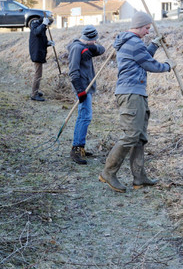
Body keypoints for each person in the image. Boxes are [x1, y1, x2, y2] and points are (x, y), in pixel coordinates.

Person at [99, 12, 176, 193]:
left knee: (139, 137)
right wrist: (167, 66)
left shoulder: (134, 43)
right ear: (140, 26)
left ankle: (139, 178)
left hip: (137, 93)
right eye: (147, 28)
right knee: (131, 135)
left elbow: (142, 59)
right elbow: (150, 65)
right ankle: (108, 173)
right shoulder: (133, 43)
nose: (148, 31)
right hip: (130, 94)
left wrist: (154, 45)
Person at [67, 25, 105, 165]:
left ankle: (80, 147)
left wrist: (92, 48)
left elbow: (102, 49)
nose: (95, 42)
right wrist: (80, 90)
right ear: (88, 38)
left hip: (87, 88)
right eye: (94, 40)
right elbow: (73, 71)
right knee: (84, 117)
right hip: (83, 88)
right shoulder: (77, 48)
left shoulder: (87, 47)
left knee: (84, 116)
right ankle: (76, 149)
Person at [28, 16, 54, 101]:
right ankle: (34, 94)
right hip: (36, 53)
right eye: (48, 24)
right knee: (38, 74)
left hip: (39, 53)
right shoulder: (35, 26)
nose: (48, 26)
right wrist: (43, 24)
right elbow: (36, 32)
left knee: (38, 74)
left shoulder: (41, 28)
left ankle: (35, 91)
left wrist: (48, 43)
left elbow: (41, 40)